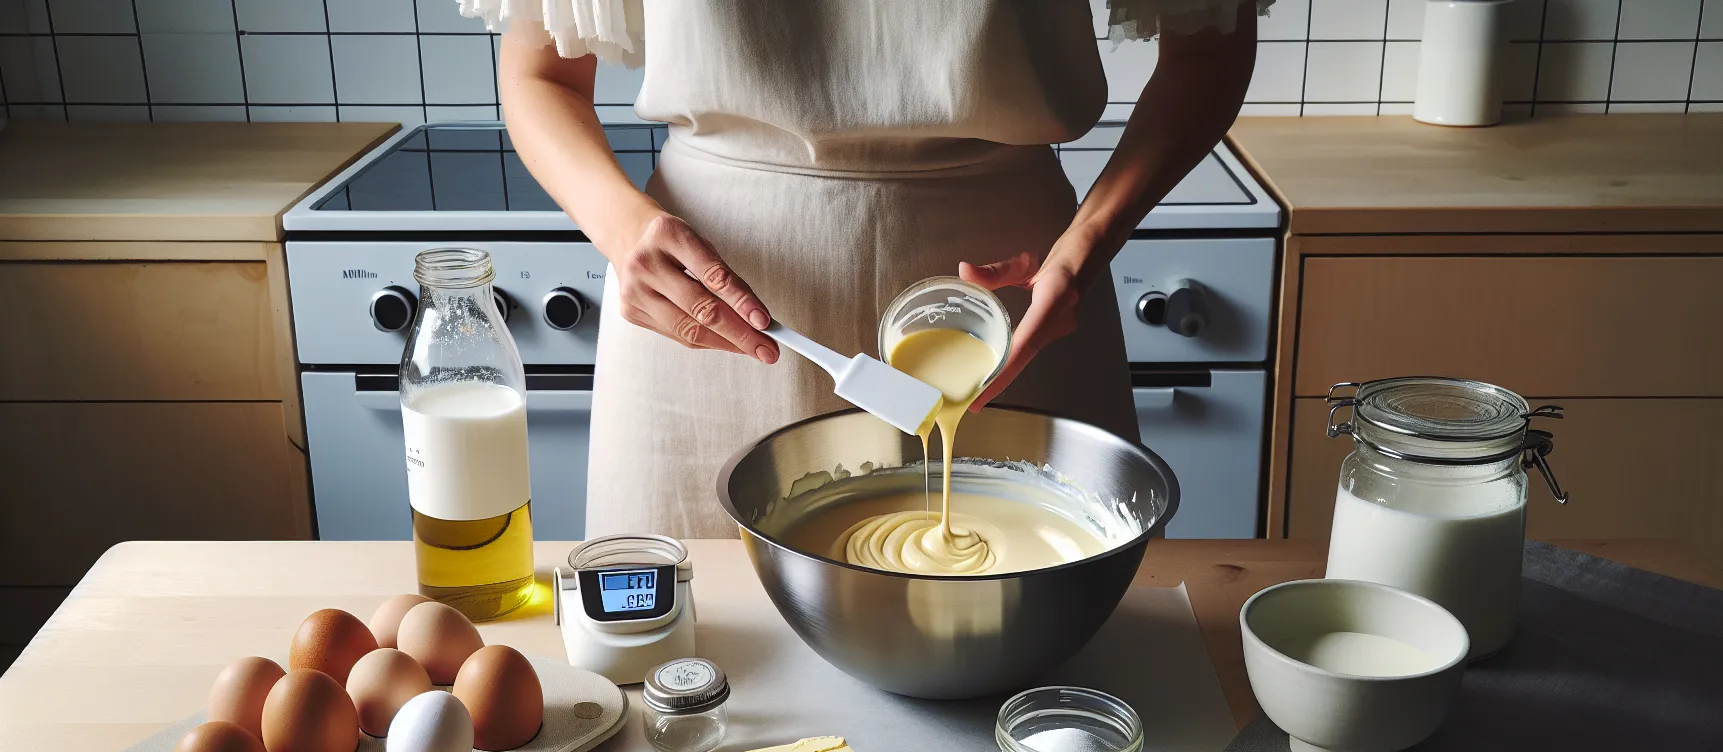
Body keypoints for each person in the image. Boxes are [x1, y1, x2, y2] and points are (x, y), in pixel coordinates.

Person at [471, 0, 1266, 538]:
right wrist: (621, 229)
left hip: (1011, 308)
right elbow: (539, 72)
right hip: (705, 312)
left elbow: (1208, 50)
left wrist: (1085, 247)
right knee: (686, 676)